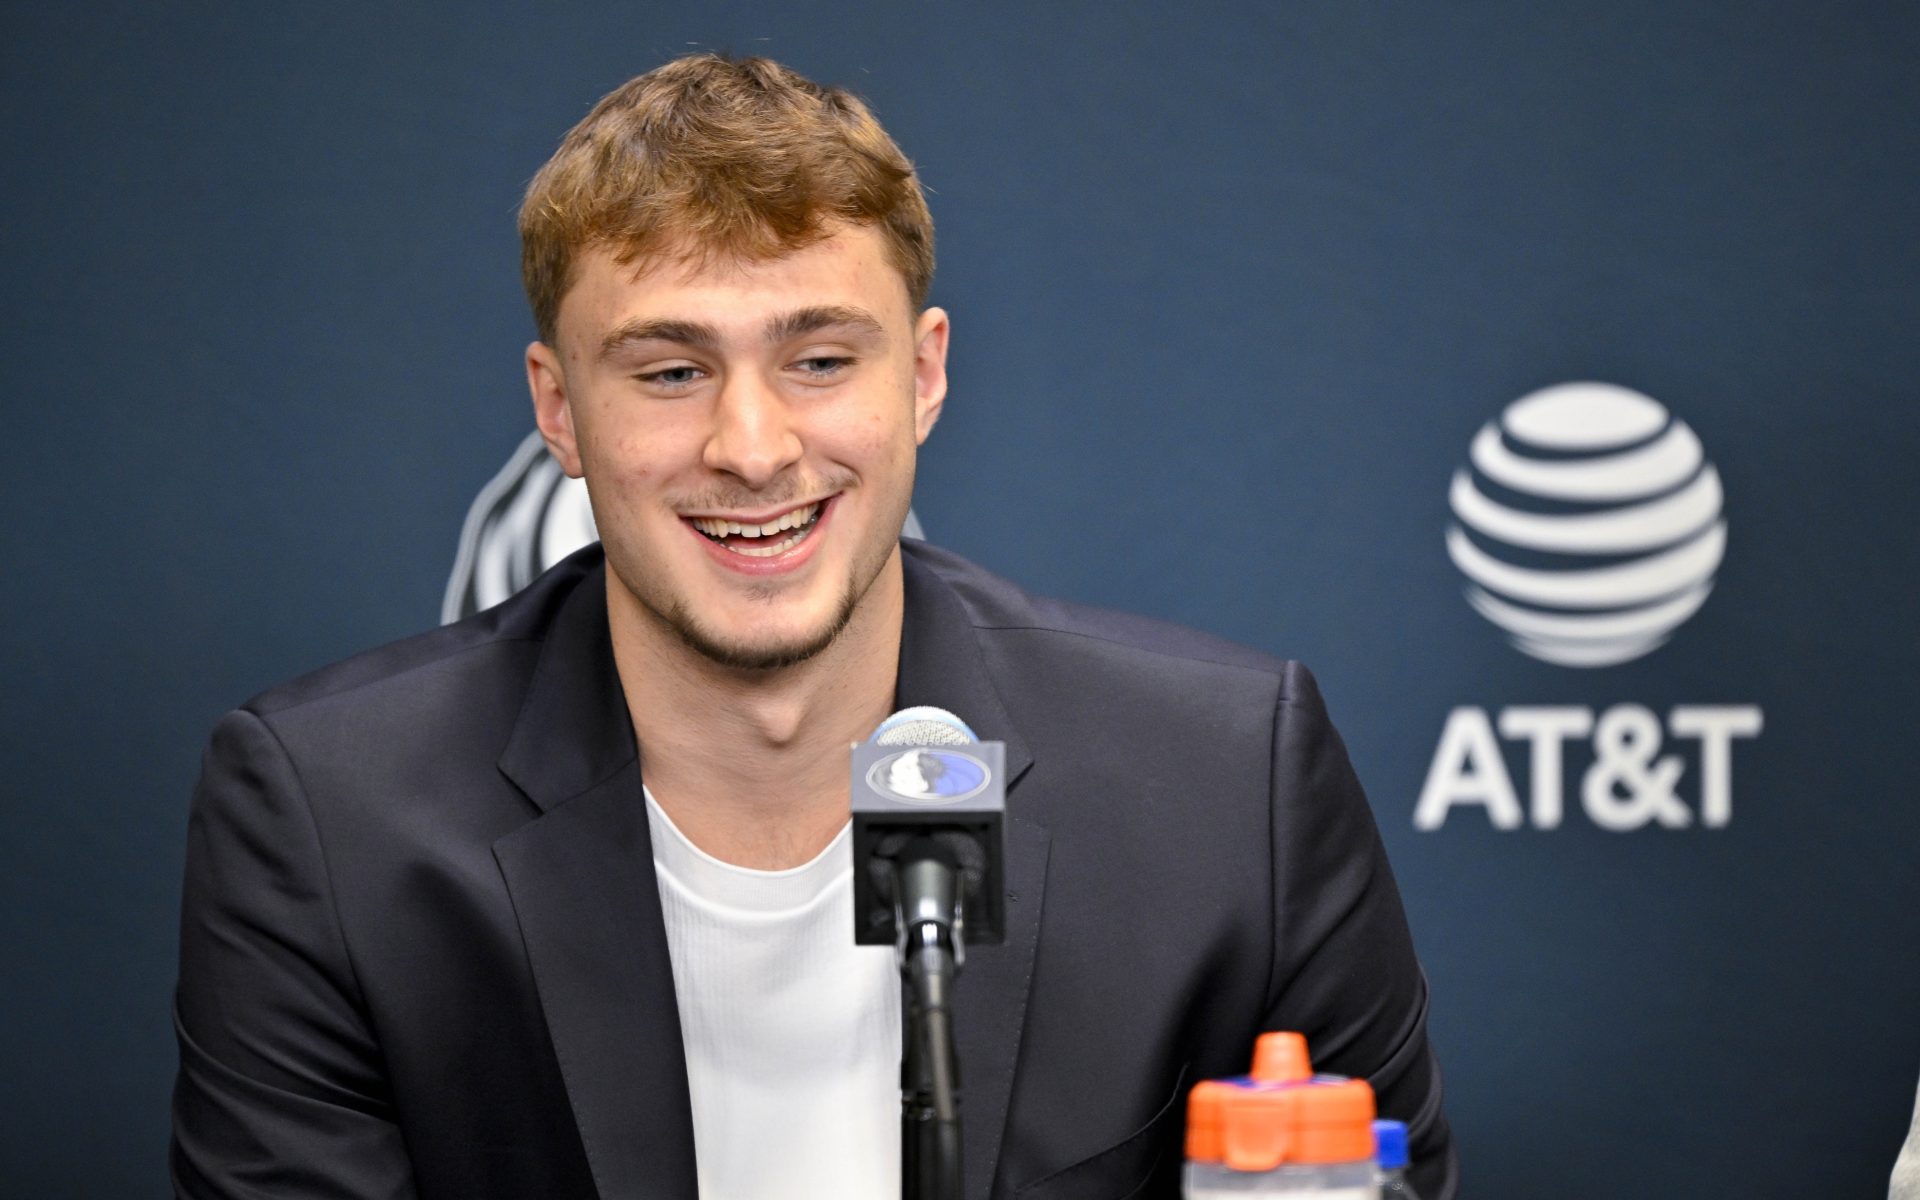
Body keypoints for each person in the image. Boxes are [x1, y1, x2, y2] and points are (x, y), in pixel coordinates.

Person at [171, 54, 1458, 1199]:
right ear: (558, 411)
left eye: (822, 360)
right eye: (672, 372)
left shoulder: (1227, 781)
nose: (752, 447)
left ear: (926, 375)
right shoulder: (332, 820)